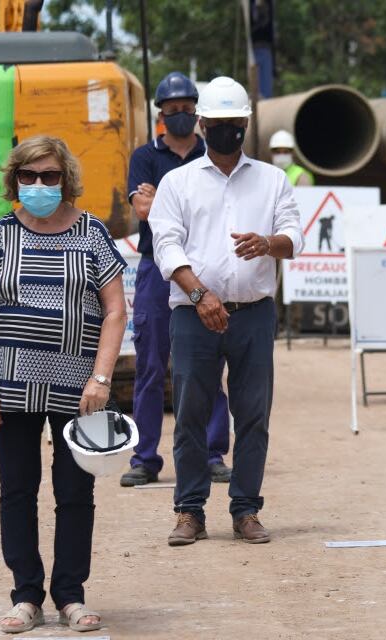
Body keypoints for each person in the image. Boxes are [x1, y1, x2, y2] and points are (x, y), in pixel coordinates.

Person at [0, 135, 126, 634]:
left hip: (81, 391)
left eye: (50, 176)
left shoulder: (92, 233)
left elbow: (116, 310)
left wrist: (101, 379)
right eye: (29, 176)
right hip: (12, 389)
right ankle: (26, 596)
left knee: (75, 492)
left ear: (66, 179)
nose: (39, 185)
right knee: (17, 490)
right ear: (15, 179)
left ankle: (71, 596)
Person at [149, 76, 302, 546]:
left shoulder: (272, 180)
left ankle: (246, 509)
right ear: (202, 124)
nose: (228, 130)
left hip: (253, 314)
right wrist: (201, 296)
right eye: (219, 123)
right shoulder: (178, 182)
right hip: (194, 313)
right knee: (192, 411)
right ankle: (189, 510)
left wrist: (268, 243)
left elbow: (293, 235)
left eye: (236, 123)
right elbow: (166, 246)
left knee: (253, 413)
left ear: (246, 124)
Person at [123, 71, 234, 487]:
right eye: (173, 111)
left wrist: (164, 202)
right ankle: (145, 458)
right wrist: (175, 207)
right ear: (161, 114)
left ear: (198, 113)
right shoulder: (144, 157)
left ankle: (212, 453)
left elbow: (166, 207)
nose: (181, 116)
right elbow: (145, 211)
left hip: (205, 268)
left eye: (188, 109)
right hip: (157, 269)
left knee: (209, 362)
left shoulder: (213, 154)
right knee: (151, 363)